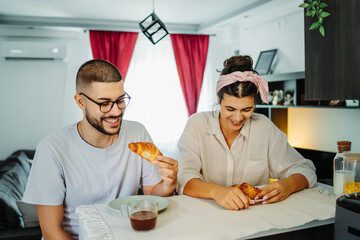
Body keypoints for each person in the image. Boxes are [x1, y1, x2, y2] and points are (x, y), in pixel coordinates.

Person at [22, 59, 178, 239]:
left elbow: (151, 197)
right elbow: (51, 233)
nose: (116, 111)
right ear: (81, 102)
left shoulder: (137, 132)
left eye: (120, 100)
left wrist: (168, 185)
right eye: (104, 103)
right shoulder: (52, 149)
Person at [178, 55, 316, 211]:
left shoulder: (263, 127)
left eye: (246, 109)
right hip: (208, 216)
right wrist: (216, 191)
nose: (238, 118)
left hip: (254, 217)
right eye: (230, 109)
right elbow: (184, 178)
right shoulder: (197, 125)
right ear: (219, 98)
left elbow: (305, 169)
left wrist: (287, 185)